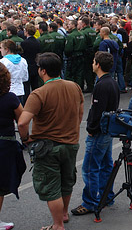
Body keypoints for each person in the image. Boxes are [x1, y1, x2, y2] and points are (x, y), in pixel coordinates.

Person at [18, 52, 84, 230]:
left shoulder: (39, 93)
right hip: (71, 142)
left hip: (47, 146)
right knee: (67, 181)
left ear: (43, 71)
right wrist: (73, 128)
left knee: (50, 186)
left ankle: (57, 224)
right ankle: (63, 214)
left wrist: (26, 139)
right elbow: (80, 112)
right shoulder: (74, 86)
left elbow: (23, 122)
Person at [71, 51, 120, 216]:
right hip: (107, 130)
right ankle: (106, 196)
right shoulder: (112, 82)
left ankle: (90, 202)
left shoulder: (101, 85)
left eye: (93, 62)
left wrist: (91, 129)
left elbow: (97, 110)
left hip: (99, 131)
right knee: (105, 165)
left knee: (90, 168)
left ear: (98, 64)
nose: (92, 64)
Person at [0, 63, 26, 230]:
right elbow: (22, 120)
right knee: (1, 186)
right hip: (4, 144)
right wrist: (26, 139)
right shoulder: (10, 98)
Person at [0, 39, 28, 104]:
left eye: (1, 48)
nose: (0, 50)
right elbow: (25, 78)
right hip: (20, 91)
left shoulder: (3, 62)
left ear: (6, 49)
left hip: (6, 91)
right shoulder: (23, 60)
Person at [20, 24, 40, 102]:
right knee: (35, 86)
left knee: (26, 88)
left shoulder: (24, 43)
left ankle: (27, 103)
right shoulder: (38, 42)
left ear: (27, 31)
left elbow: (22, 55)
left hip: (27, 66)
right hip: (35, 66)